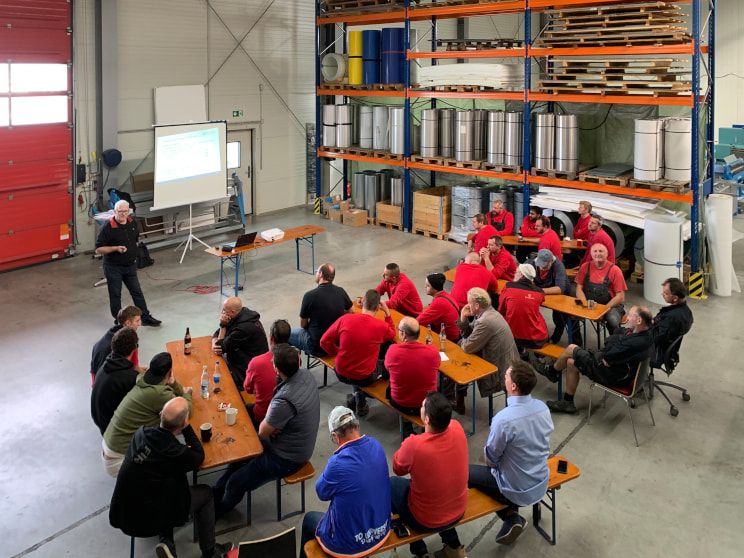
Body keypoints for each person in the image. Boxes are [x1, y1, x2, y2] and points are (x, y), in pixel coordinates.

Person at [109, 397, 233, 558]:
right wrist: (187, 427)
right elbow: (199, 456)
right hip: (148, 517)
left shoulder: (141, 433)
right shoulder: (175, 451)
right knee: (206, 493)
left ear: (161, 414)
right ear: (182, 423)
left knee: (164, 485)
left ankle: (167, 545)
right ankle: (210, 552)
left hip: (124, 511)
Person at [213, 344, 320, 516]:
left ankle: (219, 510)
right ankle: (218, 490)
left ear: (277, 369)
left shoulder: (284, 400)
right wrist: (275, 426)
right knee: (239, 459)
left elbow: (262, 433)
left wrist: (270, 428)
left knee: (235, 482)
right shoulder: (305, 375)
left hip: (286, 458)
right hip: (294, 441)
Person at [468, 361, 553, 546]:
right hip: (540, 481)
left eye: (506, 376)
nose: (504, 378)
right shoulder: (543, 408)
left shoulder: (504, 419)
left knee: (466, 473)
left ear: (513, 386)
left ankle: (509, 515)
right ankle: (511, 517)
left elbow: (491, 459)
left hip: (516, 491)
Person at [298, 407, 391, 558]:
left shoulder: (337, 463)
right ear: (357, 426)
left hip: (349, 546)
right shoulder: (376, 445)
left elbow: (321, 492)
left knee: (309, 519)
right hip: (382, 532)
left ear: (335, 436)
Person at [391, 392, 469, 558]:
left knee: (392, 485)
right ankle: (454, 546)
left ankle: (419, 551)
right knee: (441, 492)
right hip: (459, 509)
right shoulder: (457, 427)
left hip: (425, 520)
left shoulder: (414, 444)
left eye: (422, 407)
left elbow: (398, 468)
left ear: (426, 419)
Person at [543, 306, 653, 414]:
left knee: (571, 348)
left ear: (639, 320)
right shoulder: (644, 334)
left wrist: (609, 352)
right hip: (620, 371)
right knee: (571, 363)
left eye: (630, 315)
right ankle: (568, 402)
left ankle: (552, 371)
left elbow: (608, 354)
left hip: (613, 376)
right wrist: (612, 347)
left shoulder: (633, 343)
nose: (627, 318)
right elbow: (618, 333)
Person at [102, 352, 192, 477]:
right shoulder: (159, 394)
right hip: (119, 459)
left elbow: (172, 394)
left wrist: (173, 384)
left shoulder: (143, 380)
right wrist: (187, 394)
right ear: (170, 372)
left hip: (110, 445)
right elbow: (185, 411)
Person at [320, 290, 396, 417]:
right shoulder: (380, 326)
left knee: (359, 362)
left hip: (341, 372)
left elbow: (324, 342)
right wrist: (387, 313)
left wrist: (338, 353)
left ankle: (357, 396)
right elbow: (392, 333)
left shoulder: (345, 319)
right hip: (364, 377)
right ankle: (361, 396)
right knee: (387, 365)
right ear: (378, 307)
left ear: (362, 303)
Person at [95, 199, 161, 326]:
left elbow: (134, 239)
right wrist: (115, 248)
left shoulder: (132, 222)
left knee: (137, 292)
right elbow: (98, 249)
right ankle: (119, 322)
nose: (123, 214)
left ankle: (145, 317)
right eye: (120, 212)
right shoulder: (107, 228)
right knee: (115, 295)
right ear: (115, 211)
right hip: (113, 267)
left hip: (130, 265)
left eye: (126, 211)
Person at [455, 288, 520, 414]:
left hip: (500, 367)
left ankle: (459, 399)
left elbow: (468, 346)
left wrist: (461, 343)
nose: (467, 305)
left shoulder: (485, 321)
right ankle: (459, 399)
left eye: (469, 303)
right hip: (507, 360)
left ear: (477, 305)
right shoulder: (488, 313)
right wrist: (463, 317)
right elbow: (471, 335)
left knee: (460, 360)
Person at [385, 317, 440, 436]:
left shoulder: (392, 350)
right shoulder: (433, 352)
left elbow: (387, 368)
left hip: (400, 403)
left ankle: (406, 426)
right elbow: (437, 366)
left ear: (403, 334)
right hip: (426, 404)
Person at [290, 263, 352, 357]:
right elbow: (351, 312)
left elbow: (303, 325)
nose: (316, 273)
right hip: (336, 344)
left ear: (321, 274)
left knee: (285, 334)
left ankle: (291, 366)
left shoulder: (309, 296)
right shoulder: (341, 291)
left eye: (317, 271)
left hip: (317, 347)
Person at [91, 327, 140, 436]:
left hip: (99, 418)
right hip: (112, 428)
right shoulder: (129, 377)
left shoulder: (107, 364)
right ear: (134, 348)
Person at [212, 296, 268, 387]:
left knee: (218, 376)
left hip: (248, 369)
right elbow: (217, 334)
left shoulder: (243, 329)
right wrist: (215, 341)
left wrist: (223, 326)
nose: (222, 313)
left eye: (224, 310)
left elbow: (219, 348)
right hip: (248, 357)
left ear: (232, 312)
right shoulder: (241, 315)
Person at [530, 249, 582, 346]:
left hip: (565, 296)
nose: (541, 268)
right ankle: (554, 339)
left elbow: (559, 289)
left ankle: (577, 347)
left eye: (544, 265)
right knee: (557, 319)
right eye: (540, 264)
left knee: (570, 320)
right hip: (548, 295)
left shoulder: (558, 266)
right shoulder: (534, 262)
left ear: (551, 261)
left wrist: (539, 290)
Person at [244, 319, 290, 427]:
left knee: (243, 409)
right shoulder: (295, 359)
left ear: (271, 338)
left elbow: (248, 389)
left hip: (263, 416)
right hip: (285, 413)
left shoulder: (256, 362)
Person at [575, 243, 627, 333]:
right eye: (595, 251)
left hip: (610, 306)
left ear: (607, 254)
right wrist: (584, 303)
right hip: (589, 304)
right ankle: (576, 342)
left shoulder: (615, 270)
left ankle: (615, 344)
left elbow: (620, 297)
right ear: (591, 254)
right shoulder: (585, 267)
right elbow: (579, 288)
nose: (598, 253)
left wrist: (603, 310)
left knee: (612, 320)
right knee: (570, 313)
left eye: (601, 251)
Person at [498, 263, 548, 350]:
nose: (514, 274)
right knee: (539, 318)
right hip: (536, 340)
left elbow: (501, 310)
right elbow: (539, 302)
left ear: (521, 275)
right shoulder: (539, 292)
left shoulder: (508, 286)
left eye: (516, 272)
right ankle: (540, 358)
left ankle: (521, 352)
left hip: (511, 337)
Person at [90, 305, 142, 383]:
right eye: (137, 321)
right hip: (107, 381)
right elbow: (135, 367)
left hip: (98, 378)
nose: (139, 324)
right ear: (128, 323)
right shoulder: (125, 342)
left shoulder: (113, 333)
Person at [650, 278, 694, 368]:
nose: (662, 294)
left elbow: (655, 338)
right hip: (668, 351)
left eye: (665, 293)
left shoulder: (671, 317)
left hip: (657, 353)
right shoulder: (686, 312)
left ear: (675, 298)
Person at [416, 273, 460, 342]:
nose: (425, 286)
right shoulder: (445, 295)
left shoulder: (439, 302)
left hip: (450, 339)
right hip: (455, 332)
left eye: (428, 285)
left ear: (435, 289)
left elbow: (418, 321)